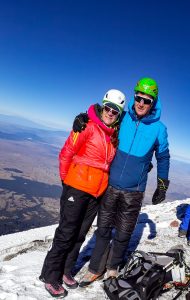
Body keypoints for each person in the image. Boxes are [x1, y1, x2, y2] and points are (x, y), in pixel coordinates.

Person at [73, 77, 170, 286]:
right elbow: (102, 118)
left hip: (134, 191)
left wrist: (162, 184)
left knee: (124, 232)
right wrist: (84, 117)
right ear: (134, 96)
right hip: (111, 185)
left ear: (154, 102)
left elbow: (163, 157)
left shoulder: (159, 129)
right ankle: (95, 268)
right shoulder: (123, 117)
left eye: (147, 100)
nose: (141, 103)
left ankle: (113, 268)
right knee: (103, 229)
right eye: (138, 97)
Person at [39, 89, 126, 298]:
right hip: (77, 188)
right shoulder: (86, 125)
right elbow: (66, 153)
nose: (111, 113)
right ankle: (51, 276)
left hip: (96, 194)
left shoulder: (113, 136)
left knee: (79, 235)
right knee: (66, 232)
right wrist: (67, 182)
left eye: (116, 111)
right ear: (102, 106)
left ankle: (66, 271)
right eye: (108, 108)